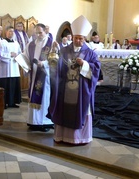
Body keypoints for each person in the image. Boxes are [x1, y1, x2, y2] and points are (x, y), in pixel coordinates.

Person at [47, 15, 101, 145]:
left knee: (81, 110)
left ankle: (79, 138)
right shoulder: (64, 50)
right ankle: (62, 136)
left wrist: (85, 64)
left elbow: (96, 69)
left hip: (81, 89)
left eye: (81, 38)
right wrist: (53, 55)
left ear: (84, 38)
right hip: (65, 89)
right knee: (63, 109)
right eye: (76, 38)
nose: (78, 40)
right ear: (73, 36)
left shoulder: (90, 53)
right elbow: (55, 66)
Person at [22, 23, 54, 132]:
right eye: (36, 33)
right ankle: (33, 121)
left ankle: (45, 122)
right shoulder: (30, 44)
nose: (38, 35)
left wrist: (44, 63)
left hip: (45, 75)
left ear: (46, 32)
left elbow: (55, 59)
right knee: (33, 95)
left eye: (40, 32)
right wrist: (24, 64)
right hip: (34, 74)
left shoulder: (52, 44)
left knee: (44, 97)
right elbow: (25, 56)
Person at [0, 26, 22, 108]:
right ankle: (4, 103)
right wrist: (10, 55)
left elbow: (20, 53)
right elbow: (0, 54)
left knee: (14, 85)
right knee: (6, 85)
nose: (11, 33)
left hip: (14, 67)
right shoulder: (2, 42)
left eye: (12, 31)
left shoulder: (16, 43)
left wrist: (17, 56)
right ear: (6, 32)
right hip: (6, 68)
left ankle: (12, 102)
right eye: (9, 31)